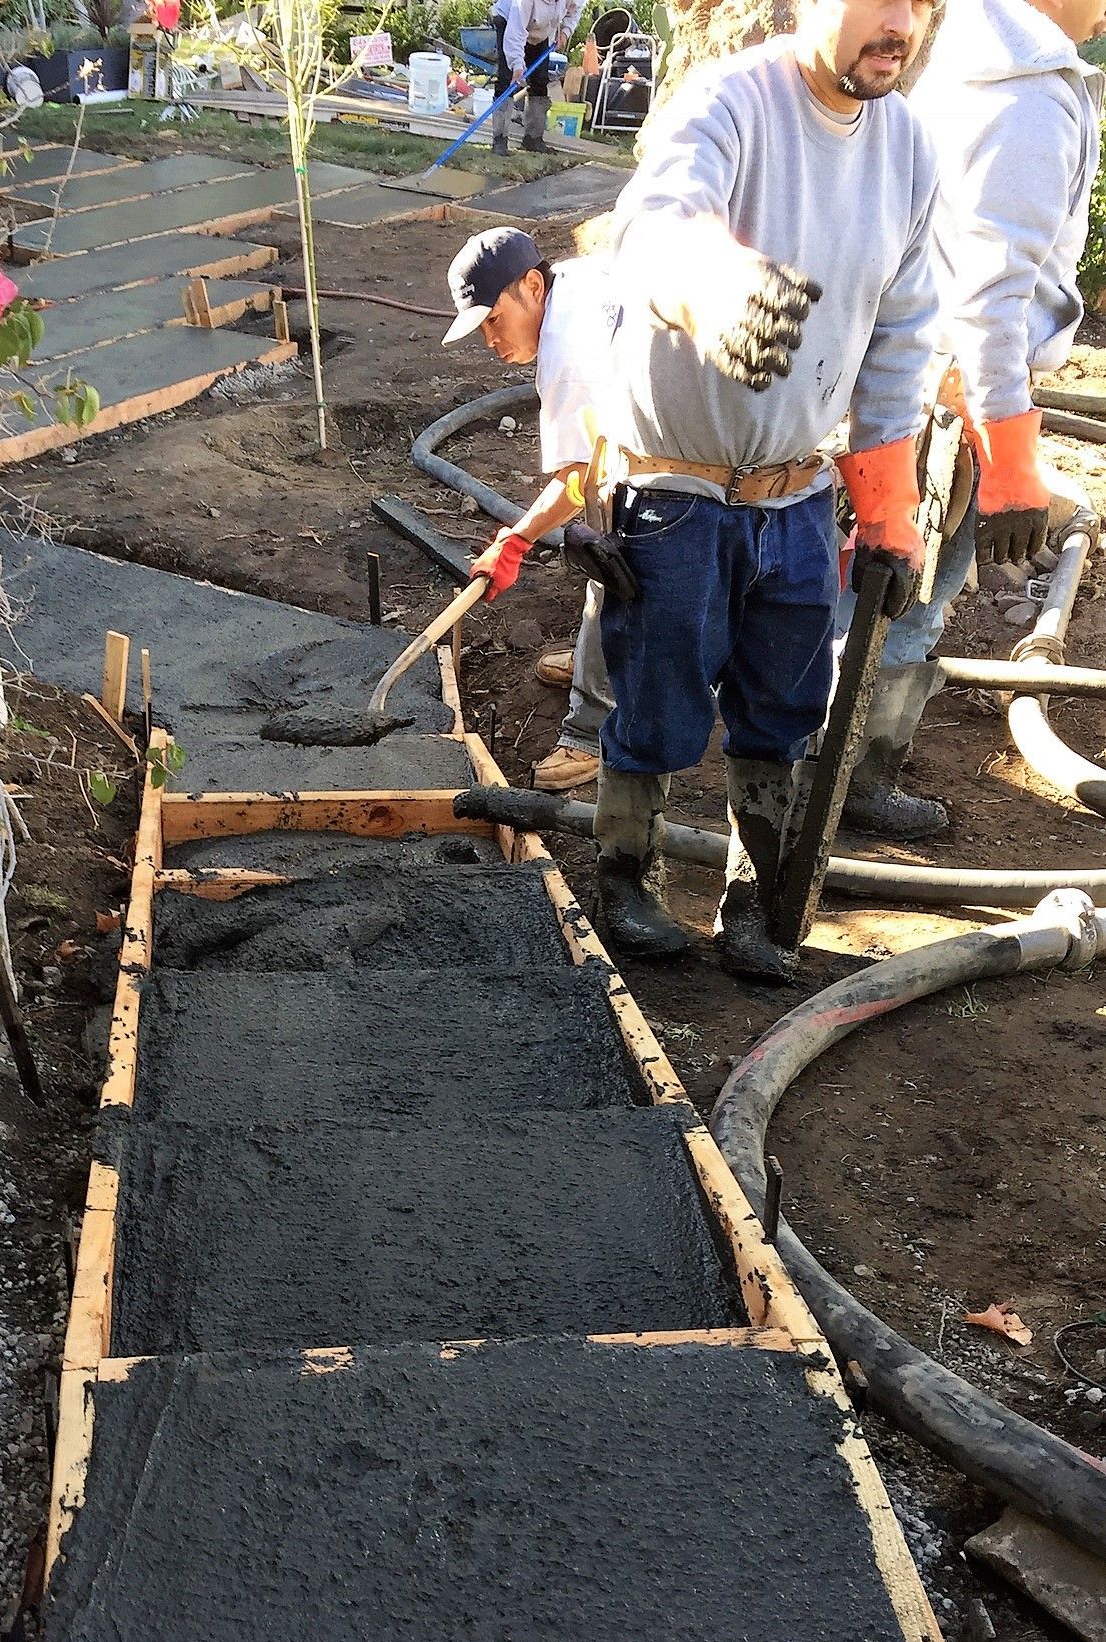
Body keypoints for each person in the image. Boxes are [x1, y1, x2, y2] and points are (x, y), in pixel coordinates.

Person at [585, 0, 940, 978]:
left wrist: (887, 512)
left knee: (782, 708)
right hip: (678, 487)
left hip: (793, 492)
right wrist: (714, 284)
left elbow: (901, 341)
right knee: (656, 698)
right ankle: (624, 881)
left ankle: (750, 901)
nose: (900, 23)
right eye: (880, 1)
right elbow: (653, 224)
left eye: (919, 4)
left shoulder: (906, 149)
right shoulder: (728, 104)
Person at [836, 0, 1106, 839]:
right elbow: (990, 292)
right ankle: (847, 783)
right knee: (909, 599)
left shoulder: (966, 55)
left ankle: (819, 767)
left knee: (874, 591)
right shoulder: (1025, 92)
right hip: (953, 399)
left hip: (915, 375)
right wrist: (1012, 456)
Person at [441, 226, 635, 796]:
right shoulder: (568, 281)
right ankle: (592, 666)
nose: (491, 342)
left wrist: (516, 540)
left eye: (494, 320)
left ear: (530, 285)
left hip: (699, 449)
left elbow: (577, 482)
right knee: (601, 533)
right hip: (662, 417)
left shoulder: (567, 351)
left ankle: (592, 728)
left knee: (614, 554)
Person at [490, 0, 584, 153]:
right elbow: (515, 34)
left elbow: (574, 10)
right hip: (510, 21)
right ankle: (500, 140)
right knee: (506, 79)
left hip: (540, 30)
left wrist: (566, 31)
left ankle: (533, 139)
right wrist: (517, 66)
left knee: (540, 80)